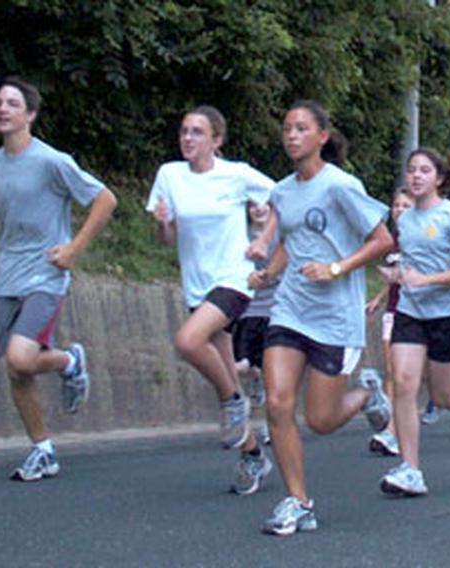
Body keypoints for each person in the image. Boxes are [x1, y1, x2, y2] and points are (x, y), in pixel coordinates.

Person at [250, 100, 393, 536]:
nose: (292, 135)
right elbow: (291, 241)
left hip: (334, 316)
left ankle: (367, 393)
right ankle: (298, 501)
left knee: (322, 421)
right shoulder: (282, 191)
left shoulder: (341, 186)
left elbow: (382, 240)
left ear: (321, 137)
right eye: (287, 128)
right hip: (291, 308)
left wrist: (336, 268)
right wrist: (269, 272)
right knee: (277, 402)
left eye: (301, 128)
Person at [147, 105, 275, 495]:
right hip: (196, 285)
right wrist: (163, 224)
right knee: (223, 368)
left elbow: (282, 201)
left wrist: (261, 238)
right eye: (184, 131)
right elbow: (164, 241)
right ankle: (253, 453)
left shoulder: (235, 174)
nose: (188, 138)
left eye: (197, 132)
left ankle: (233, 404)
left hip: (234, 279)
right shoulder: (169, 175)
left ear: (216, 140)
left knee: (187, 341)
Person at [0, 77, 117, 481]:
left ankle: (69, 360)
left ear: (30, 114)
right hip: (6, 277)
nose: (3, 109)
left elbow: (105, 199)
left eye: (12, 104)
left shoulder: (51, 161)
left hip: (45, 276)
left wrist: (74, 248)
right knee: (17, 370)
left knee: (19, 357)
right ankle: (43, 450)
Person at [378, 148, 450, 496]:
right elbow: (408, 263)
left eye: (424, 171)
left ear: (439, 178)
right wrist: (396, 275)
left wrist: (427, 280)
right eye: (411, 170)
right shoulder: (404, 220)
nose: (416, 176)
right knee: (404, 383)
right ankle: (410, 469)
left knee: (441, 393)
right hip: (411, 311)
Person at [366, 188, 413, 456]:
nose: (400, 210)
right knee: (390, 371)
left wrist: (401, 276)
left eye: (406, 205)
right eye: (397, 205)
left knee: (405, 375)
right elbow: (394, 275)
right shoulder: (391, 239)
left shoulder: (421, 235)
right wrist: (379, 297)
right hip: (393, 309)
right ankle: (392, 428)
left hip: (417, 312)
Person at [232, 201, 280, 446]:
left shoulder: (280, 237)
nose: (258, 209)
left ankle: (271, 426)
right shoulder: (240, 236)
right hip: (247, 311)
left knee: (269, 371)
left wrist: (265, 275)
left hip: (274, 312)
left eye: (264, 205)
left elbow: (287, 268)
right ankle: (251, 395)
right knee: (241, 366)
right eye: (252, 206)